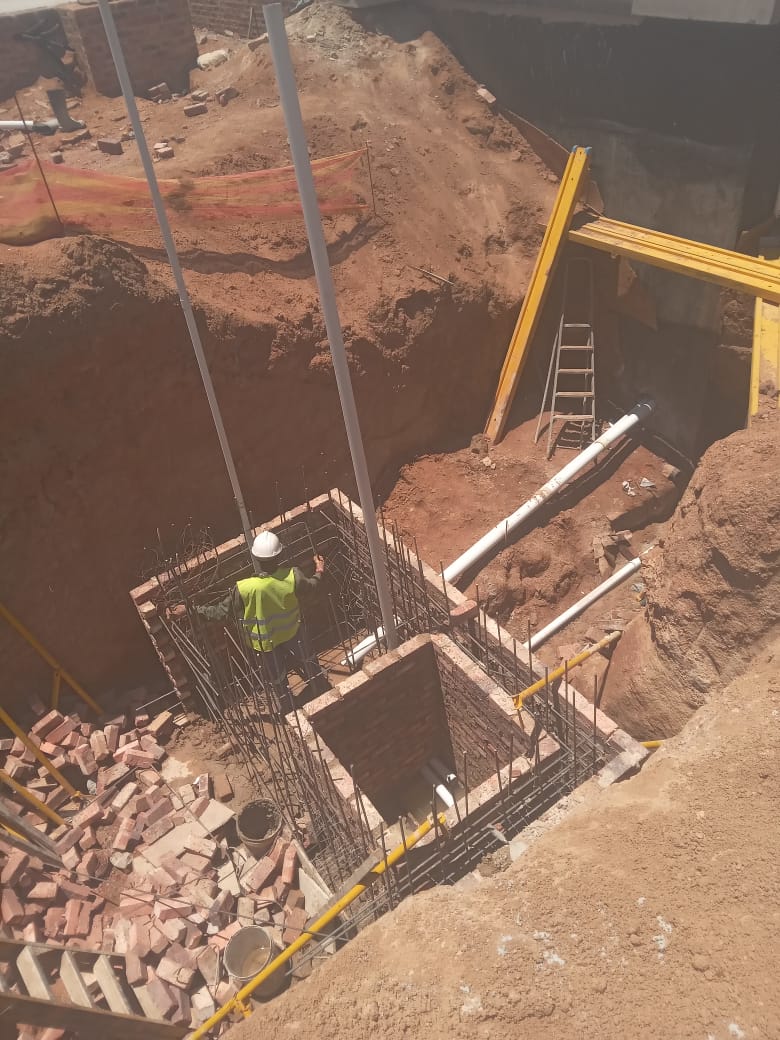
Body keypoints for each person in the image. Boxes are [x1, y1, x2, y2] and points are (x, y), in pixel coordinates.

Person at [172, 532, 325, 710]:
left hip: (264, 643)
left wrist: (189, 610)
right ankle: (320, 689)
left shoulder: (243, 589)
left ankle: (287, 705)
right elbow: (313, 587)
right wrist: (319, 569)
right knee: (308, 660)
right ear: (279, 555)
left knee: (277, 678)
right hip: (292, 633)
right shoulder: (293, 577)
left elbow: (219, 612)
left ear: (256, 558)